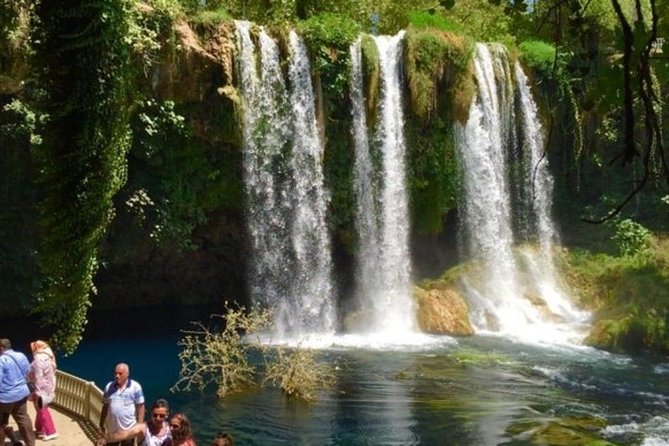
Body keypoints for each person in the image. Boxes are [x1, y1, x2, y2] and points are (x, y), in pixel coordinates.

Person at [99, 363, 145, 446]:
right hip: (112, 431)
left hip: (128, 432)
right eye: (115, 373)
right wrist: (101, 424)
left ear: (127, 374)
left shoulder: (135, 387)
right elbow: (105, 407)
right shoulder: (109, 387)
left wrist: (139, 425)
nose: (117, 376)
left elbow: (140, 407)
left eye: (120, 373)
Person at [0, 338, 35, 446]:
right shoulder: (21, 355)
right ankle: (30, 444)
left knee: (1, 422)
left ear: (1, 348)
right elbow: (28, 372)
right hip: (21, 393)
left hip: (5, 397)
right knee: (23, 417)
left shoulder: (1, 360)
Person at [105, 398, 172, 446]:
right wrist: (105, 439)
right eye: (155, 415)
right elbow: (124, 434)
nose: (158, 418)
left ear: (167, 415)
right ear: (151, 413)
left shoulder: (170, 429)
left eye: (161, 416)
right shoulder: (143, 429)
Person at [29, 340, 58, 440]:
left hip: (40, 388)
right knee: (41, 408)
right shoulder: (49, 356)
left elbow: (38, 376)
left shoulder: (38, 358)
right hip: (49, 386)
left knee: (41, 409)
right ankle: (40, 429)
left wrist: (37, 391)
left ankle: (51, 431)